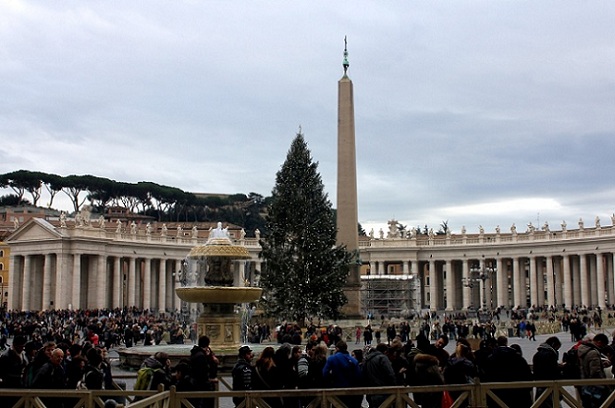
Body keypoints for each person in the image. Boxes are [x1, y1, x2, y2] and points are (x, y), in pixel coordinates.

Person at [483, 336, 533, 408]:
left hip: (496, 397)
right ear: (506, 343)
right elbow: (528, 377)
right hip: (518, 398)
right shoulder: (518, 358)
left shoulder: (490, 359)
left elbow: (485, 378)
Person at [322, 340, 362, 407]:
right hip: (350, 391)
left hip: (336, 390)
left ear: (337, 348)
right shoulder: (353, 361)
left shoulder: (332, 358)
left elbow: (324, 373)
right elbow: (358, 376)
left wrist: (330, 382)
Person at [578, 333, 611, 408]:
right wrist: (605, 384)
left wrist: (601, 364)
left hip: (585, 384)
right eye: (603, 345)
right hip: (595, 386)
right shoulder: (593, 353)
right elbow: (595, 371)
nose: (603, 348)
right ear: (599, 342)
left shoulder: (583, 349)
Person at [443, 337, 477, 408]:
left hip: (452, 387)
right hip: (466, 387)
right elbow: (474, 373)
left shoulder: (450, 360)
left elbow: (445, 374)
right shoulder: (469, 361)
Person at [363, 343, 396, 407]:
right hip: (383, 391)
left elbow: (363, 374)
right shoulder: (382, 358)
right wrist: (394, 386)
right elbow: (390, 374)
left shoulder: (366, 359)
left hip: (371, 392)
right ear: (385, 351)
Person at [532, 336, 562, 408]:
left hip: (539, 384)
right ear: (554, 344)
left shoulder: (537, 354)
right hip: (550, 385)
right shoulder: (551, 354)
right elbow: (553, 370)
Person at [190, 335, 219, 408]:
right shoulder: (201, 356)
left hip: (197, 384)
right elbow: (204, 371)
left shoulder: (195, 353)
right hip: (202, 386)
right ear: (208, 344)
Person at [0, 335, 27, 406]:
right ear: (15, 345)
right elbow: (2, 373)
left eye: (23, 346)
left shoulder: (23, 354)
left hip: (20, 386)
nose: (22, 348)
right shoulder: (6, 356)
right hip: (10, 386)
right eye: (21, 346)